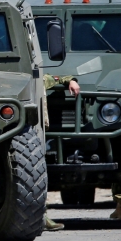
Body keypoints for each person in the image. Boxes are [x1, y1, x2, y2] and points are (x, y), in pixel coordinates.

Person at [42, 73, 80, 232]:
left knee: (38, 176)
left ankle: (40, 217)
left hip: (33, 133)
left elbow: (56, 78)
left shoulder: (38, 80)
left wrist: (71, 81)